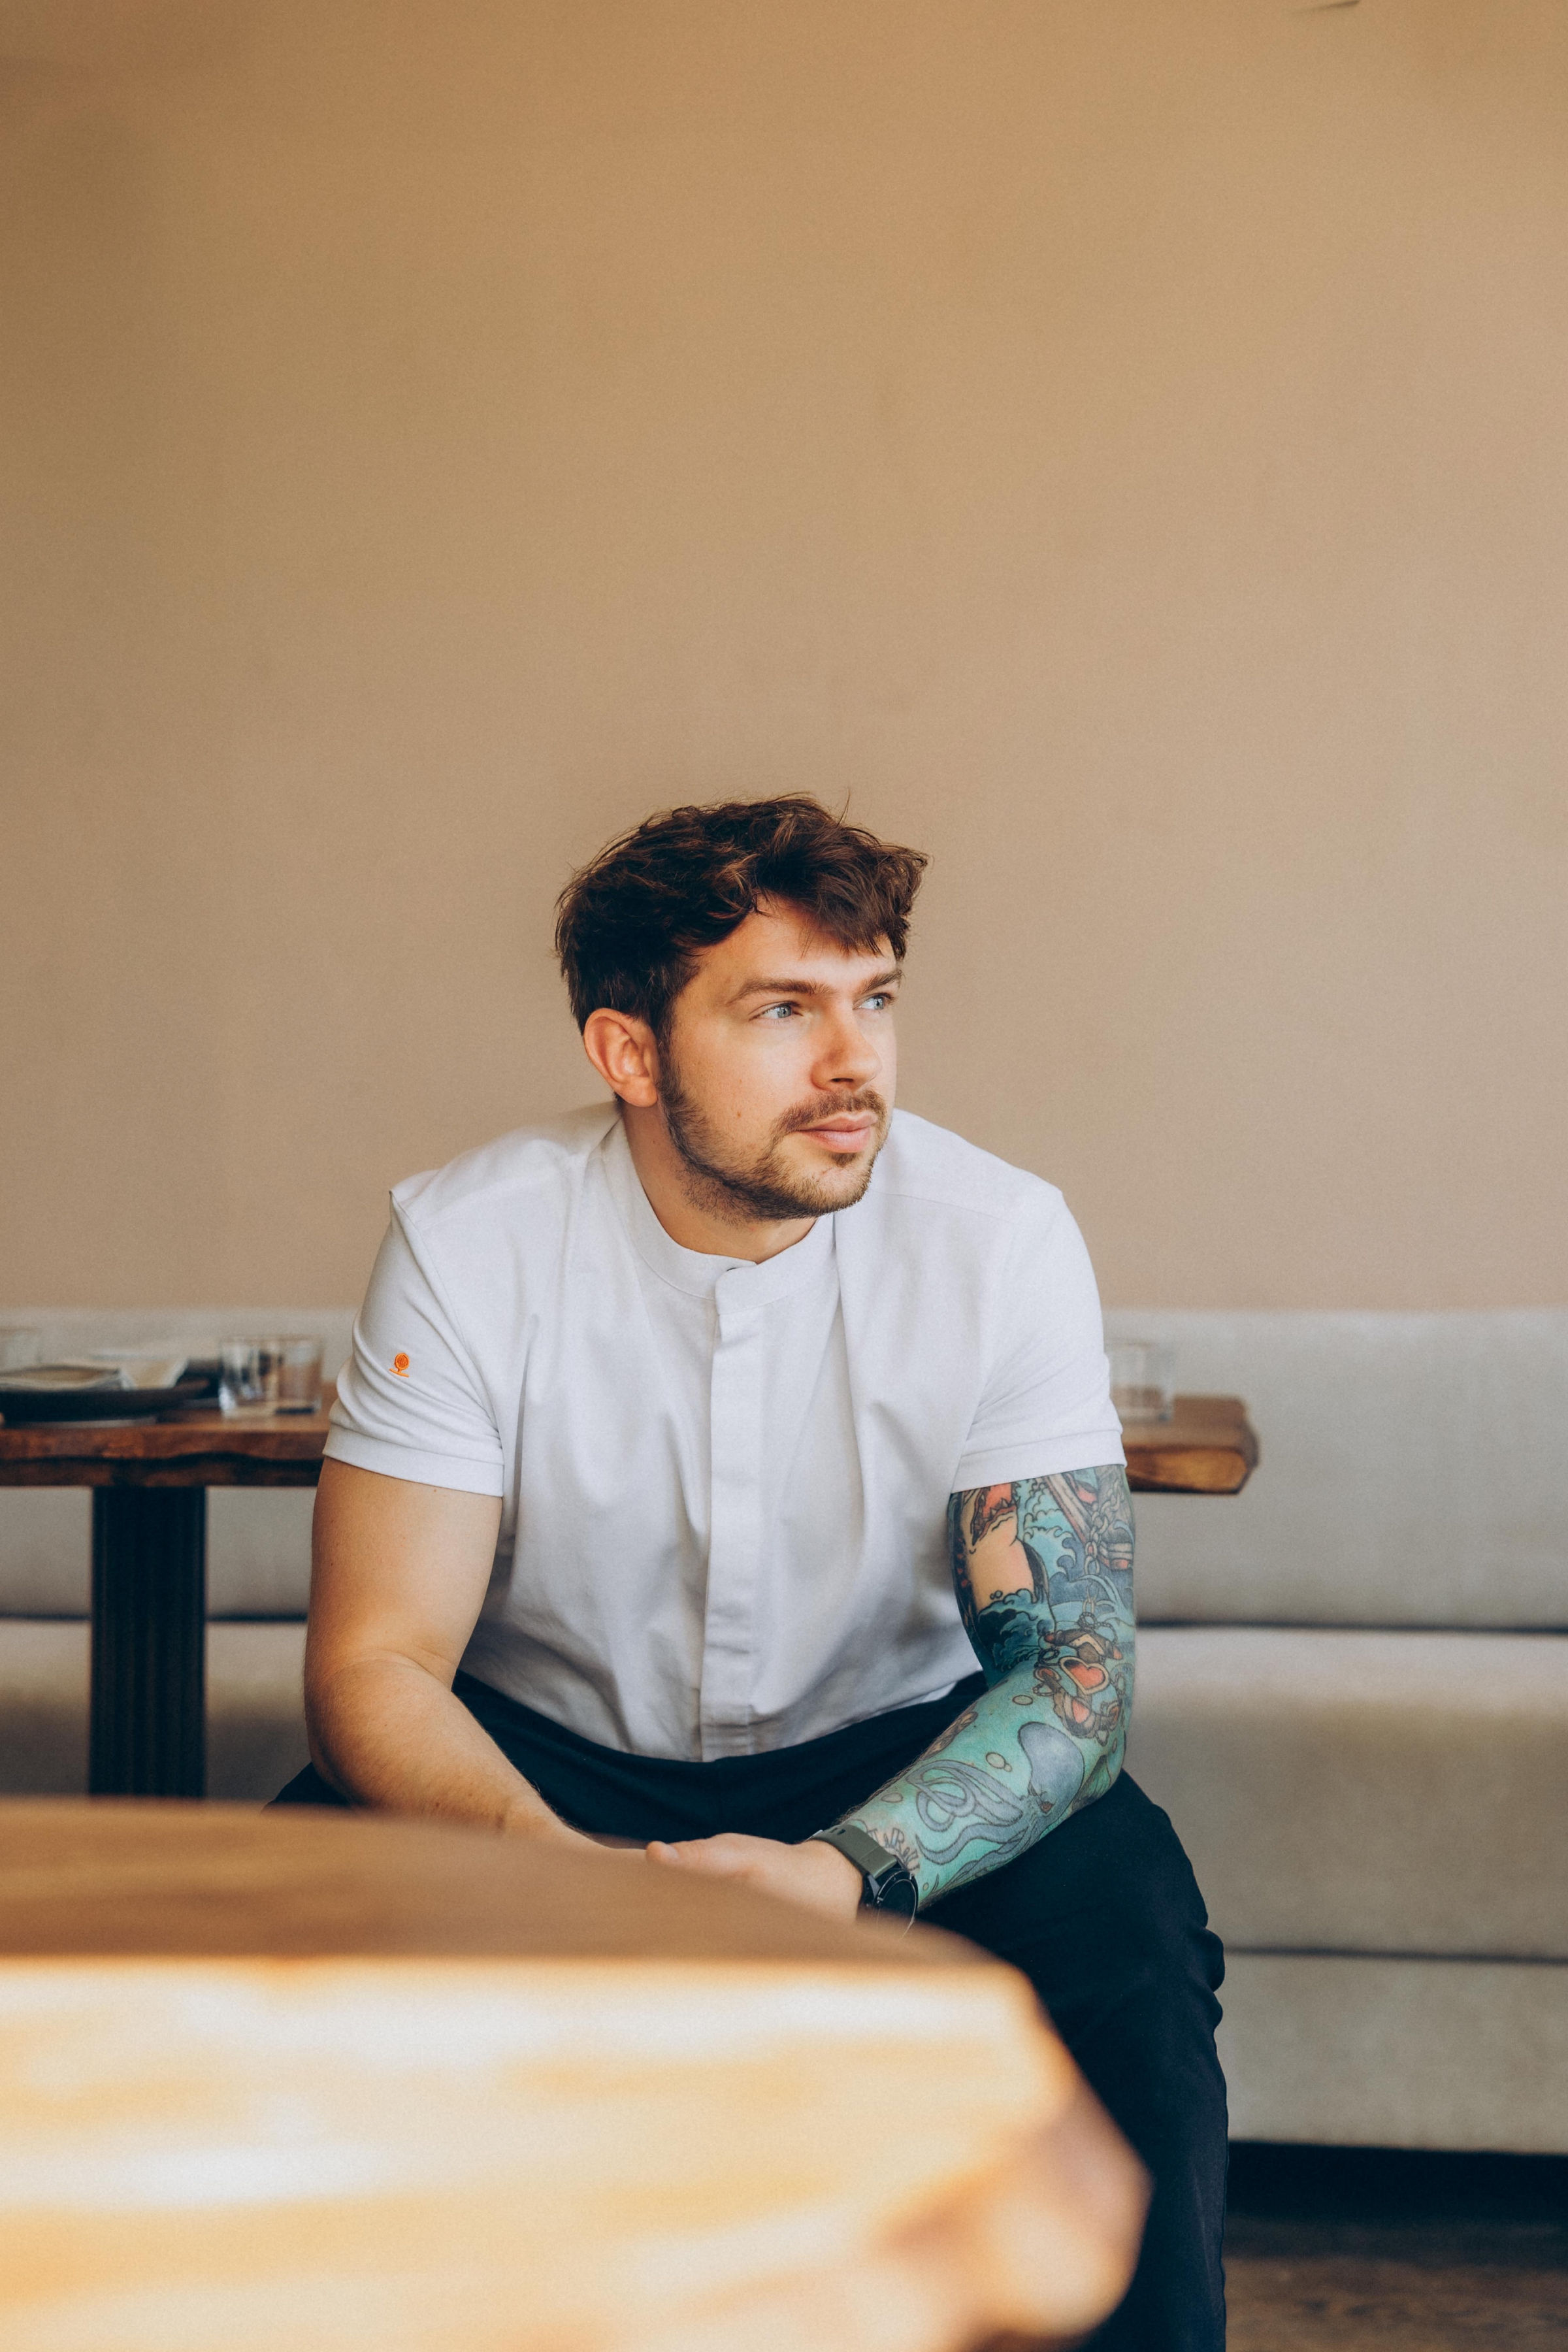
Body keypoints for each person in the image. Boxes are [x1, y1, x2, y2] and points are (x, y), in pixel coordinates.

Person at [276, 794, 1228, 2350]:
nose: (855, 1064)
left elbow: (1075, 1676)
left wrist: (841, 1870)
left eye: (875, 1000)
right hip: (539, 1761)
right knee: (280, 1965)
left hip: (895, 1756)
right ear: (630, 1053)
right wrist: (545, 1860)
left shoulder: (1002, 1239)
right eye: (783, 1011)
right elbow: (375, 1664)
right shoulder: (467, 1241)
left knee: (1131, 1951)